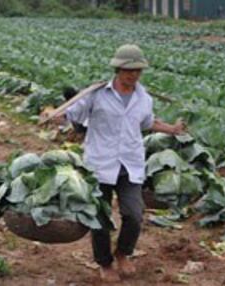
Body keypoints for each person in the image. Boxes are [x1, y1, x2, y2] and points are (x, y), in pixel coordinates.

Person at [45, 44, 186, 282]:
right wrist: (54, 116)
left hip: (130, 164)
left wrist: (172, 129)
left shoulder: (144, 98)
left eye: (138, 70)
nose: (133, 75)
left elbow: (147, 122)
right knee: (101, 217)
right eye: (128, 70)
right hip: (100, 164)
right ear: (118, 69)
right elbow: (72, 114)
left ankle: (123, 253)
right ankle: (104, 262)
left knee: (134, 214)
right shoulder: (97, 94)